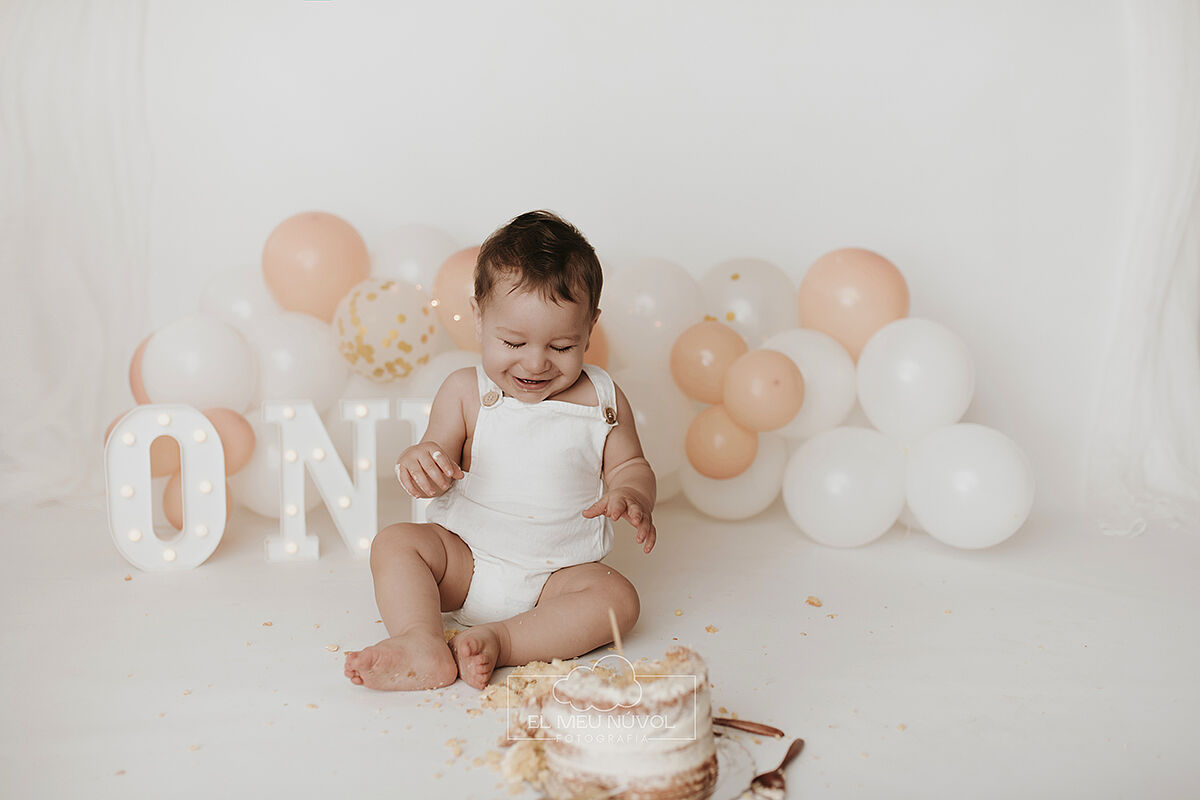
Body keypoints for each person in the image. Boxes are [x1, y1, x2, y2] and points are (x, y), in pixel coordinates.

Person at [344, 210, 657, 691]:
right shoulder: (465, 390)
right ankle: (421, 639)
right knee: (395, 543)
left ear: (591, 326)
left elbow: (630, 464)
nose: (535, 362)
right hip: (465, 561)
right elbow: (435, 449)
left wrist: (631, 494)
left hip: (558, 577)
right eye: (512, 341)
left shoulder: (602, 399)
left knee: (618, 599)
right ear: (478, 317)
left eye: (562, 346)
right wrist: (422, 461)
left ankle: (503, 641)